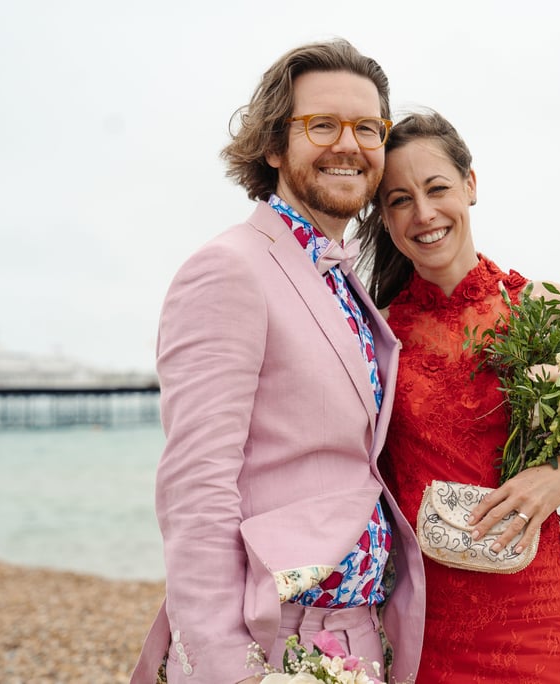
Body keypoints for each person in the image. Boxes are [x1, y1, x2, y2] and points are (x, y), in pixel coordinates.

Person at [130, 40, 425, 684]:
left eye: (367, 128)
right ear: (272, 144)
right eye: (322, 124)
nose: (348, 144)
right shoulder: (229, 268)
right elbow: (195, 486)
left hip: (359, 633)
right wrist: (227, 667)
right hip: (274, 635)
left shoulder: (341, 277)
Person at [355, 110, 560, 683]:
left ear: (470, 185)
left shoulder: (546, 310)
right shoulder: (375, 334)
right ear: (385, 217)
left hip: (537, 614)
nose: (423, 213)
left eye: (437, 189)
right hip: (425, 621)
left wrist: (558, 476)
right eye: (400, 200)